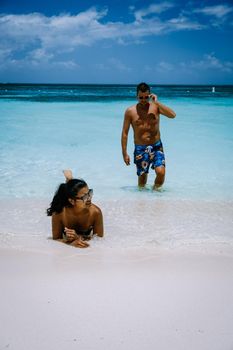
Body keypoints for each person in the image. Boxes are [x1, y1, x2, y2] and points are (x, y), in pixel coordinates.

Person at [121, 82, 176, 190]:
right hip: (140, 148)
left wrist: (157, 102)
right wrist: (124, 153)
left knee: (161, 173)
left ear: (150, 95)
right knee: (142, 180)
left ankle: (156, 194)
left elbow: (173, 115)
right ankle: (143, 201)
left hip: (156, 146)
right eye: (141, 97)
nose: (143, 100)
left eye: (146, 97)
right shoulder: (130, 111)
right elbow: (125, 133)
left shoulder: (156, 107)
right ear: (137, 96)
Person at [47, 170, 104, 248]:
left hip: (84, 233)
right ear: (71, 201)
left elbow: (99, 239)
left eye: (89, 193)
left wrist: (79, 238)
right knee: (71, 188)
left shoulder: (95, 212)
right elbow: (56, 239)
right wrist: (68, 242)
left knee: (72, 187)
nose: (89, 198)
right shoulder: (59, 213)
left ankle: (69, 179)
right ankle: (69, 179)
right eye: (85, 197)